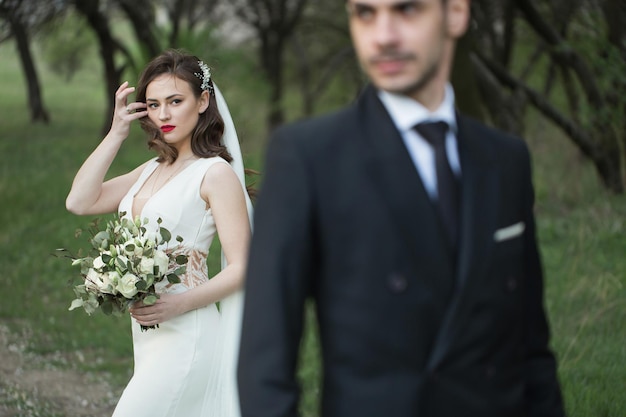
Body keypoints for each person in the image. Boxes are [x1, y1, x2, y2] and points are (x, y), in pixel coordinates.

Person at [237, 0, 565, 416]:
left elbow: (531, 351)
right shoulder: (308, 158)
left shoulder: (506, 160)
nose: (383, 36)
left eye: (407, 10)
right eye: (365, 13)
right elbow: (265, 366)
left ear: (457, 14)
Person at [66, 49, 252, 417]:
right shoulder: (151, 168)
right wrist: (116, 133)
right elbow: (80, 201)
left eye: (175, 101)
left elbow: (244, 266)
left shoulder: (214, 174)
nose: (163, 114)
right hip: (150, 334)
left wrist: (180, 303)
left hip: (189, 330)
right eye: (153, 104)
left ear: (202, 101)